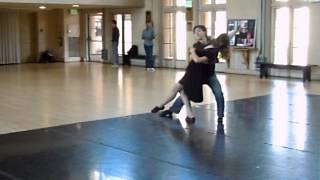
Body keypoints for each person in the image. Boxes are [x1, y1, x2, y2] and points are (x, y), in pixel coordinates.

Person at [157, 25, 237, 123]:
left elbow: (226, 37)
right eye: (195, 32)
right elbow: (193, 59)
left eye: (199, 31)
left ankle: (220, 116)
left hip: (210, 75)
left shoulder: (213, 42)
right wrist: (194, 55)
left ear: (204, 32)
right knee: (187, 91)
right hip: (198, 75)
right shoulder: (196, 46)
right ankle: (172, 110)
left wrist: (236, 30)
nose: (197, 33)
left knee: (219, 93)